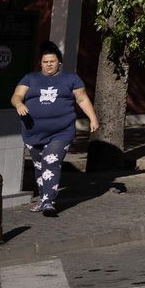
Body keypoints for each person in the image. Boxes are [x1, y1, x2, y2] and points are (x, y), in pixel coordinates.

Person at [9, 42, 98, 216]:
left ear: (59, 63)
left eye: (52, 61)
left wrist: (93, 118)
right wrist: (19, 104)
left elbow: (82, 99)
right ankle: (43, 200)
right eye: (45, 61)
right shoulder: (30, 78)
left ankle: (49, 202)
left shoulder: (70, 79)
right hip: (33, 132)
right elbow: (16, 95)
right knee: (39, 167)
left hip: (61, 132)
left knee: (51, 162)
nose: (49, 64)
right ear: (40, 63)